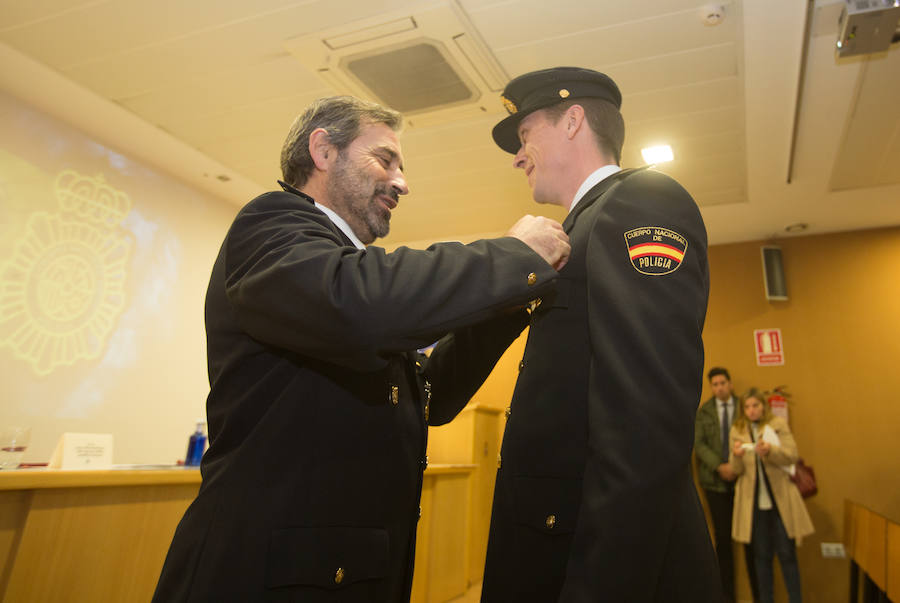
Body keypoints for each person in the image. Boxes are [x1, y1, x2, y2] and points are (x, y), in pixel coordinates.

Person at [152, 95, 571, 602]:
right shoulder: (271, 225)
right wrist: (508, 257)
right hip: (260, 577)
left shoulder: (359, 290)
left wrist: (506, 302)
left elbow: (431, 395)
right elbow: (353, 301)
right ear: (323, 150)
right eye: (385, 160)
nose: (402, 182)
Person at [480, 66, 721, 602]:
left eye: (523, 136)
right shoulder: (574, 231)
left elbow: (644, 427)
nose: (518, 156)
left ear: (572, 121)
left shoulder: (641, 201)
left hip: (599, 567)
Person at [730, 389, 814, 603]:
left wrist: (771, 452)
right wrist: (737, 455)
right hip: (754, 505)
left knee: (787, 555)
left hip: (780, 501)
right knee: (761, 558)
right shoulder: (738, 429)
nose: (751, 410)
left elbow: (792, 455)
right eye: (747, 407)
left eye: (755, 406)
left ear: (763, 407)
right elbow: (735, 470)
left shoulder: (777, 424)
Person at [695, 367, 759, 602]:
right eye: (715, 384)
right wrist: (720, 466)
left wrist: (735, 467)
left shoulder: (745, 407)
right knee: (723, 541)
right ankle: (727, 597)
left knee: (751, 540)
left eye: (723, 383)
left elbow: (755, 435)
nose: (719, 387)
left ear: (730, 384)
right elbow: (699, 444)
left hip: (745, 482)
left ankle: (759, 595)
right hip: (715, 484)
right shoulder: (704, 412)